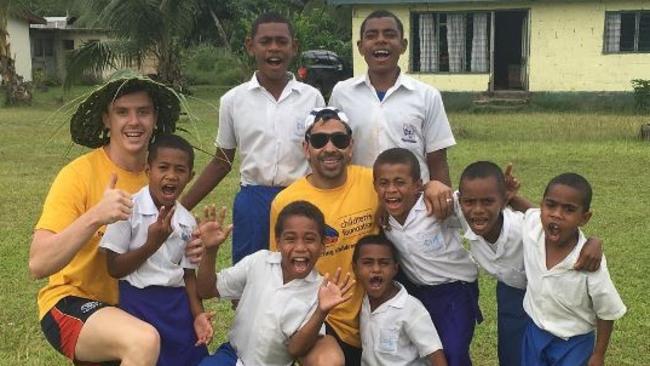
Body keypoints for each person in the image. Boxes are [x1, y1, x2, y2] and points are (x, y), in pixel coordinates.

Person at [29, 71, 202, 365]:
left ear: (155, 118)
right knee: (143, 341)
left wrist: (195, 247)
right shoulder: (78, 174)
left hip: (136, 309)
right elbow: (38, 264)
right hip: (72, 301)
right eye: (122, 112)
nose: (133, 121)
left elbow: (176, 268)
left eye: (143, 112)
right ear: (106, 119)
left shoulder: (163, 176)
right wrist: (96, 215)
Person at [182, 12, 325, 264]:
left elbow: (322, 155)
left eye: (281, 41)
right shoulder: (233, 100)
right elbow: (222, 161)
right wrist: (180, 206)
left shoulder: (312, 98)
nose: (274, 48)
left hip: (300, 196)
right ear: (250, 46)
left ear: (294, 47)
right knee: (249, 272)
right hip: (252, 200)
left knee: (299, 268)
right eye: (265, 41)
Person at [455, 161, 604, 366]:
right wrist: (432, 187)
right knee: (511, 354)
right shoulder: (463, 210)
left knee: (546, 349)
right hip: (511, 291)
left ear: (503, 200)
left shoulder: (521, 227)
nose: (477, 209)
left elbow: (552, 222)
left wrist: (593, 242)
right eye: (469, 202)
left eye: (488, 201)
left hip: (550, 295)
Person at [269, 109, 379, 365]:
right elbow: (279, 272)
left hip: (372, 312)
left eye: (339, 140)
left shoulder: (373, 182)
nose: (330, 148)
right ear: (306, 148)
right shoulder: (286, 202)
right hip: (320, 317)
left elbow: (409, 190)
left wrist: (433, 186)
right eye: (319, 141)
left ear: (351, 146)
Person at [99, 134, 212, 366]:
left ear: (190, 177)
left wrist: (198, 314)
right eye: (163, 167)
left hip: (175, 306)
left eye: (180, 170)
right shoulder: (128, 209)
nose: (171, 176)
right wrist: (151, 244)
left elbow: (188, 276)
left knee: (186, 359)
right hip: (137, 303)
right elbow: (114, 268)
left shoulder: (187, 221)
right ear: (148, 171)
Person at [196, 200, 352, 366]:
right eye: (290, 239)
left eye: (310, 239)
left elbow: (295, 350)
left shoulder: (320, 290)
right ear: (278, 242)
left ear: (323, 246)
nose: (300, 247)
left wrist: (321, 311)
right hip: (233, 357)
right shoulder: (259, 261)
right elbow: (207, 290)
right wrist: (210, 251)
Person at [372, 148, 480, 366]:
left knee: (453, 352)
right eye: (383, 183)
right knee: (428, 349)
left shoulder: (434, 206)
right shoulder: (385, 219)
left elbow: (470, 203)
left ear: (418, 185)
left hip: (455, 290)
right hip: (419, 292)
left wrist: (439, 186)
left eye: (400, 182)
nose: (391, 190)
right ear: (375, 186)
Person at [329, 10, 455, 186]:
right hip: (358, 198)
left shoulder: (427, 95)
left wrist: (445, 204)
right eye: (371, 35)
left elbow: (438, 160)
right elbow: (333, 151)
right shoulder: (342, 93)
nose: (381, 40)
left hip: (412, 203)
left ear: (403, 45)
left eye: (389, 34)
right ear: (360, 46)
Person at [521, 173, 626, 366]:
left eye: (569, 209)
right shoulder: (534, 227)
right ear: (542, 205)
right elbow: (529, 211)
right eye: (550, 205)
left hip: (574, 344)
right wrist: (511, 196)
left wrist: (598, 355)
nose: (556, 214)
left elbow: (607, 312)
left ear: (584, 218)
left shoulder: (589, 262)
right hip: (535, 332)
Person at [353, 234, 447, 366]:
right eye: (367, 262)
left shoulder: (410, 308)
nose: (376, 269)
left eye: (384, 263)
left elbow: (435, 354)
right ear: (355, 268)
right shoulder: (362, 302)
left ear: (395, 269)